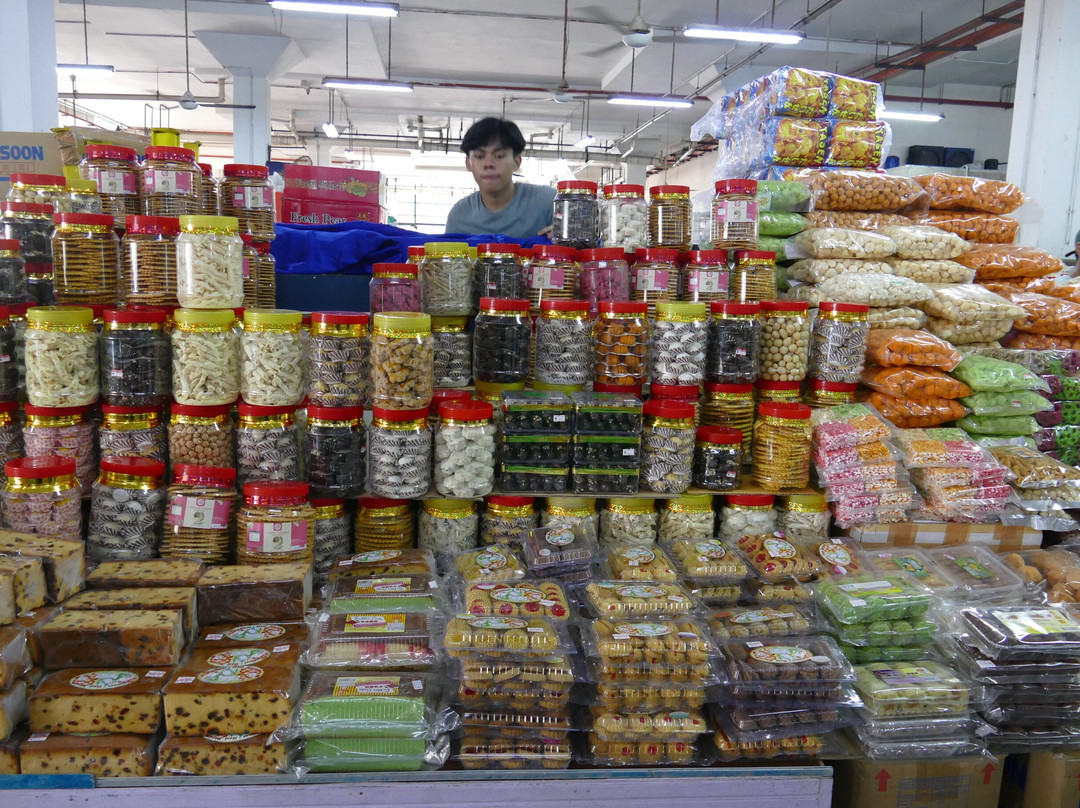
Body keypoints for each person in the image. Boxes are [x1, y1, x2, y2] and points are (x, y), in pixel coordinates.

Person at [445, 117, 555, 238]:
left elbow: (577, 242)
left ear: (517, 162)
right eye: (480, 156)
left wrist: (567, 237)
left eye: (499, 156)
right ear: (468, 163)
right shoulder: (459, 216)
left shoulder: (549, 202)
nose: (489, 164)